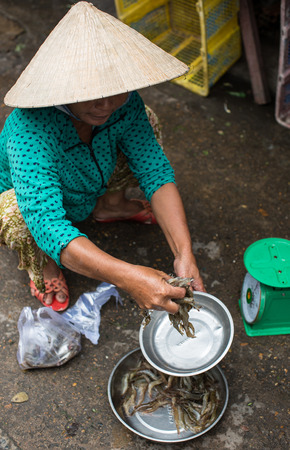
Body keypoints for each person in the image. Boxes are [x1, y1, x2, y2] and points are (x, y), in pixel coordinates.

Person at [0, 1, 205, 313]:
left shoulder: (125, 103)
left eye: (116, 89)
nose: (106, 104)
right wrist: (129, 277)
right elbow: (47, 222)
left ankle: (109, 206)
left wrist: (184, 252)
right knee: (17, 217)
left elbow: (155, 172)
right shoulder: (29, 128)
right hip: (35, 201)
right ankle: (46, 267)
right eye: (91, 93)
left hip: (87, 176)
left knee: (146, 119)